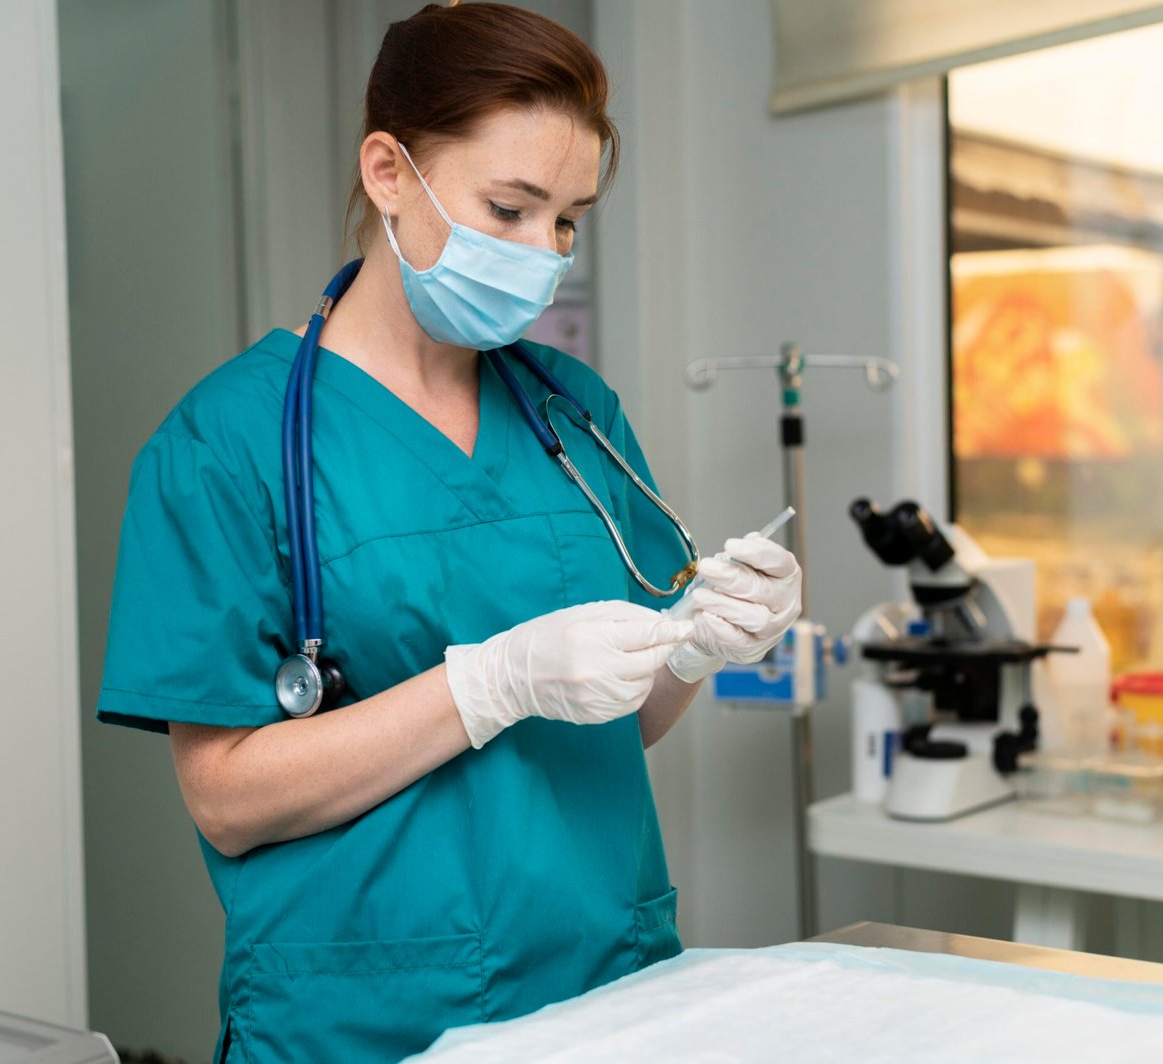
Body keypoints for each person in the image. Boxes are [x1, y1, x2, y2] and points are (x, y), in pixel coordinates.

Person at [97, 4, 802, 1060]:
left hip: (604, 991)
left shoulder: (574, 413)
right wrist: (488, 683)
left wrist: (696, 645)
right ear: (389, 172)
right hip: (363, 1018)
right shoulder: (225, 444)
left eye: (567, 219)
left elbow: (625, 718)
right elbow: (227, 796)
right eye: (508, 207)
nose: (542, 251)